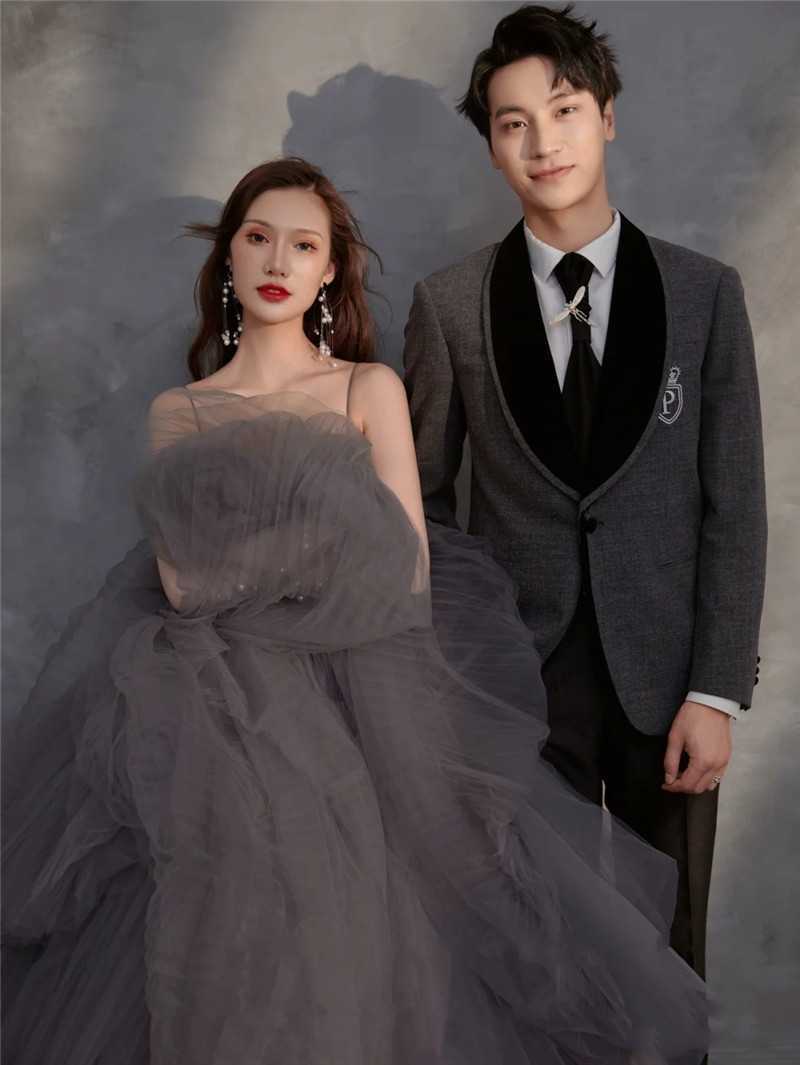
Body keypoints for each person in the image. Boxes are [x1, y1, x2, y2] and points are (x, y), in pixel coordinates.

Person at [4, 156, 711, 1065]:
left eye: (304, 245)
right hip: (207, 704)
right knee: (219, 916)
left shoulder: (364, 389)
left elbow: (406, 571)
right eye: (258, 237)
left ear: (331, 269)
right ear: (228, 256)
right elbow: (184, 585)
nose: (278, 261)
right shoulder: (181, 410)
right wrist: (332, 547)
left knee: (397, 918)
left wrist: (265, 570)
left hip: (366, 697)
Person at [403, 1, 767, 990]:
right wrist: (461, 668)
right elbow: (420, 505)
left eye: (562, 110)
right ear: (492, 148)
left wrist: (714, 690)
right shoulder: (450, 305)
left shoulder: (703, 294)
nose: (542, 142)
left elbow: (734, 505)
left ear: (606, 115)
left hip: (669, 686)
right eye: (512, 123)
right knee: (531, 951)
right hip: (517, 682)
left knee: (668, 957)